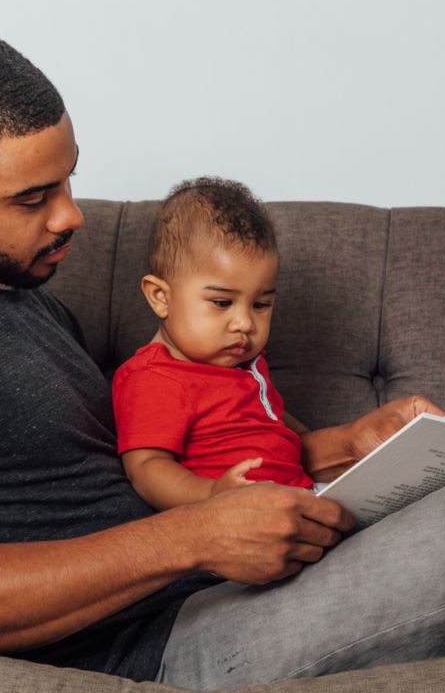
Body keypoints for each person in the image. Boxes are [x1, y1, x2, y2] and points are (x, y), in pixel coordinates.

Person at [0, 28, 445, 691]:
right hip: (149, 652)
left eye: (67, 182)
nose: (70, 217)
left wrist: (350, 448)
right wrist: (197, 538)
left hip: (206, 594)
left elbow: (188, 457)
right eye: (32, 198)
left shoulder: (26, 296)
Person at [112, 177, 315, 510]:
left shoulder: (244, 366)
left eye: (260, 305)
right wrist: (211, 494)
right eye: (222, 303)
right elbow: (146, 468)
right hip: (236, 523)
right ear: (161, 297)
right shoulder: (155, 378)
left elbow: (278, 427)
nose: (245, 324)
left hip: (303, 498)